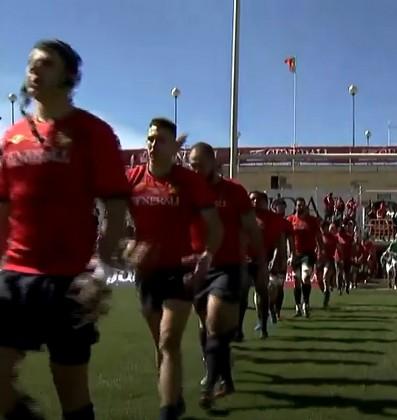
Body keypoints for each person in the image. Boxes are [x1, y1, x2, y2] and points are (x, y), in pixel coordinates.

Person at [0, 39, 130, 420]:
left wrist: (101, 269)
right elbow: (3, 208)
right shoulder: (11, 138)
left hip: (69, 282)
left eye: (45, 64)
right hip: (16, 275)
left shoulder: (93, 132)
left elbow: (116, 205)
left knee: (71, 391)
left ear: (69, 75)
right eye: (30, 64)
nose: (33, 71)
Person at [127, 118, 223, 419]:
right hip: (146, 274)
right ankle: (175, 396)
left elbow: (214, 226)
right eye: (150, 139)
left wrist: (206, 256)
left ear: (173, 147)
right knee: (161, 345)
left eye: (161, 140)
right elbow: (112, 221)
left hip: (181, 270)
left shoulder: (189, 181)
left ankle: (167, 412)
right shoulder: (131, 178)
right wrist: (125, 248)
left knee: (169, 341)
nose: (153, 145)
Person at [187, 142, 265, 406]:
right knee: (206, 327)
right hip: (197, 268)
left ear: (214, 162)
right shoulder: (187, 191)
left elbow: (252, 230)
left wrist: (262, 264)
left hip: (228, 266)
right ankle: (226, 380)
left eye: (198, 163)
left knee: (215, 323)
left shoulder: (234, 191)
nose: (194, 169)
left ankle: (208, 387)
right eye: (191, 164)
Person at [249, 191, 292, 331]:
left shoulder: (284, 222)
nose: (279, 208)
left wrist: (287, 256)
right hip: (255, 260)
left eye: (281, 206)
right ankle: (261, 318)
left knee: (275, 288)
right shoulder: (250, 218)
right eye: (277, 205)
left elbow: (284, 242)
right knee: (261, 290)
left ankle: (273, 309)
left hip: (277, 259)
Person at [287, 198, 322, 317]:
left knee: (306, 276)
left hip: (308, 253)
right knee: (297, 281)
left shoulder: (312, 221)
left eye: (302, 205)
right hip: (295, 254)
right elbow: (287, 238)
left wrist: (321, 250)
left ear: (305, 207)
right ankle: (297, 306)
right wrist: (289, 254)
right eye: (298, 205)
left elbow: (318, 236)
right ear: (295, 207)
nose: (300, 207)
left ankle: (305, 303)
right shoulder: (291, 220)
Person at [335, 220, 357, 295]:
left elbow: (353, 247)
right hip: (339, 258)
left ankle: (347, 286)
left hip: (347, 257)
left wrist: (352, 256)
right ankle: (339, 288)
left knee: (347, 273)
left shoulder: (349, 237)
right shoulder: (336, 237)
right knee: (339, 273)